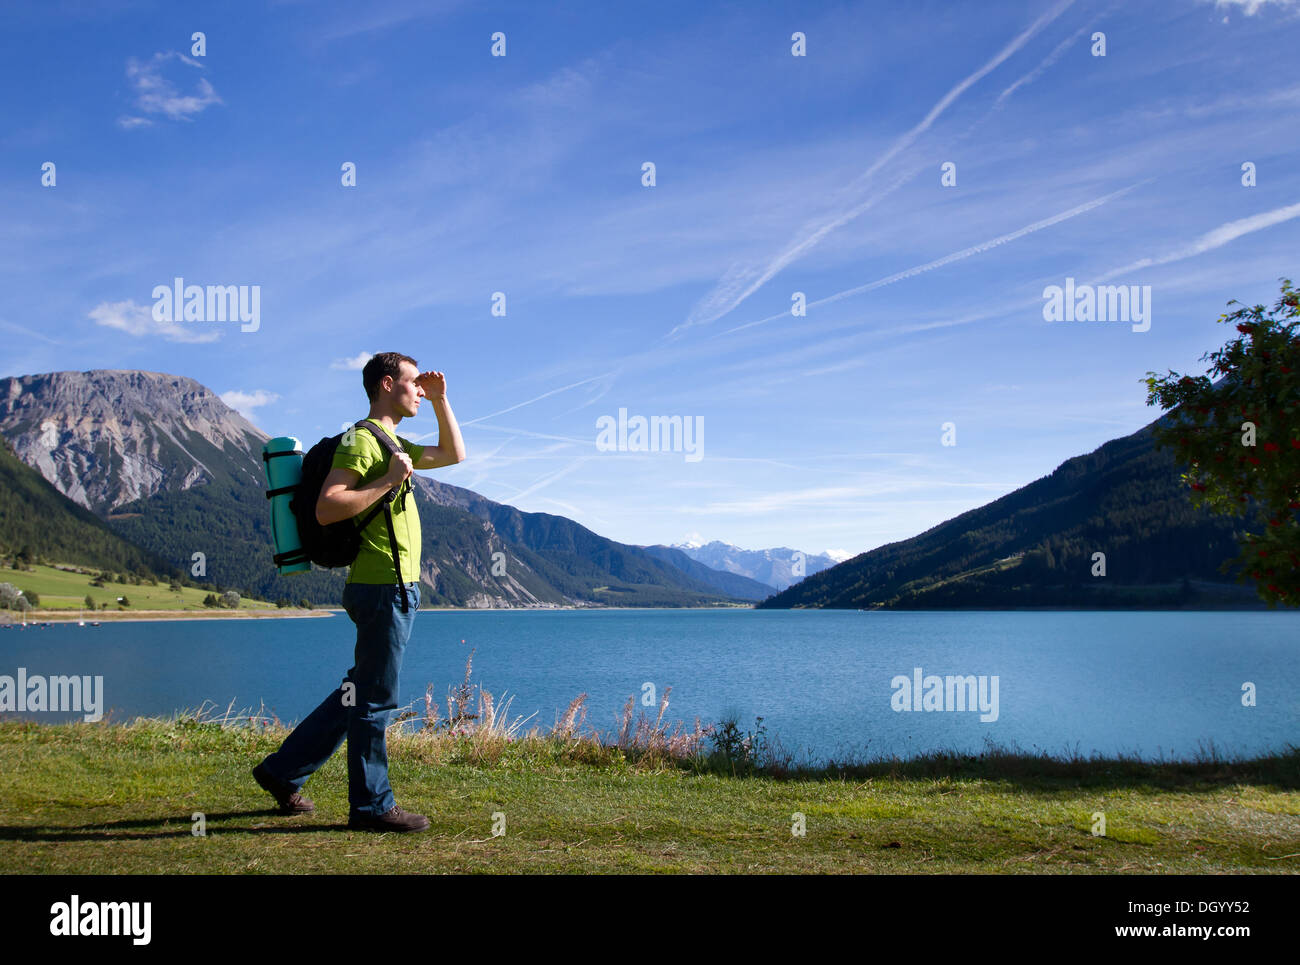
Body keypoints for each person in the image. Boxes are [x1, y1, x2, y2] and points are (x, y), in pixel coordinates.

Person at [253, 352, 466, 832]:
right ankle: (371, 806)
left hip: (393, 586)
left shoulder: (392, 440)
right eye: (414, 384)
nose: (419, 390)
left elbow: (454, 455)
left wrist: (441, 401)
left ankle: (281, 771)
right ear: (387, 384)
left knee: (357, 692)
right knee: (374, 700)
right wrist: (390, 480)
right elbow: (329, 507)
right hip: (380, 585)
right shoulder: (361, 441)